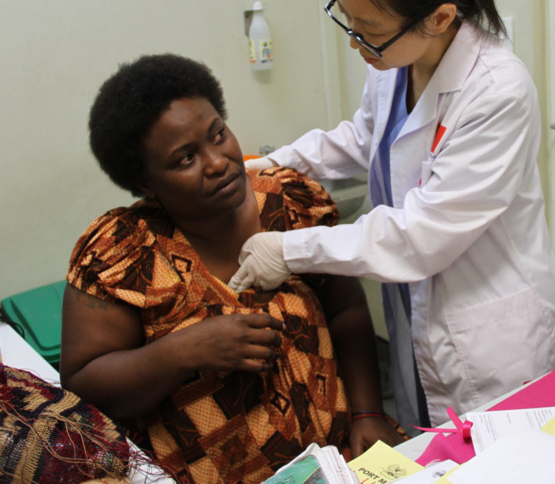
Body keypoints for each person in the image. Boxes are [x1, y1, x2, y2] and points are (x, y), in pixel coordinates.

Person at [230, 0, 555, 433]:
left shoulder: (496, 90)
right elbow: (367, 139)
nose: (355, 42)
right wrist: (269, 163)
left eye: (368, 30)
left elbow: (422, 234)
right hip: (414, 312)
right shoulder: (395, 59)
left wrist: (290, 250)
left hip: (491, 341)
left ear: (439, 18)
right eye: (347, 20)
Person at [60, 54, 402, 484]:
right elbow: (83, 386)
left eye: (217, 134)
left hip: (336, 460)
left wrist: (368, 412)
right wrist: (185, 351)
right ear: (145, 182)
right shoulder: (122, 252)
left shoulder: (287, 202)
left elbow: (346, 311)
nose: (218, 161)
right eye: (185, 159)